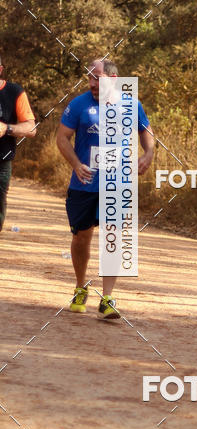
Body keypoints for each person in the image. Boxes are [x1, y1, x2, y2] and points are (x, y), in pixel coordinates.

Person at [56, 58, 154, 319]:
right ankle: (80, 288)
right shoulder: (79, 104)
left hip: (117, 183)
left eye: (96, 77)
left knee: (113, 236)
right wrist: (76, 164)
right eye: (89, 78)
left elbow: (146, 131)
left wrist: (148, 154)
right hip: (84, 184)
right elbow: (61, 137)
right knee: (81, 236)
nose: (91, 83)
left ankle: (107, 298)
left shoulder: (132, 104)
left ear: (112, 78)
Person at [0, 55, 37, 231]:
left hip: (2, 161)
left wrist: (6, 129)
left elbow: (31, 128)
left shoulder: (14, 92)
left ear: (0, 70)